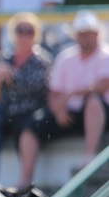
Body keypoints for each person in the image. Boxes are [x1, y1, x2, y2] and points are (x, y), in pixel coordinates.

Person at [17, 10, 108, 187]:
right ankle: (25, 179)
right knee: (30, 127)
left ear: (96, 34)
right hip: (69, 112)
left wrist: (72, 93)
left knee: (93, 101)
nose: (84, 38)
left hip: (101, 113)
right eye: (81, 34)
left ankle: (90, 154)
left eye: (87, 33)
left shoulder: (106, 55)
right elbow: (54, 93)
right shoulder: (65, 58)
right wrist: (58, 111)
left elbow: (103, 85)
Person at [0, 12, 52, 166]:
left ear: (35, 35)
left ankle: (24, 181)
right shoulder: (4, 57)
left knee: (26, 128)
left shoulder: (42, 60)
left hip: (31, 113)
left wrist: (13, 76)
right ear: (13, 34)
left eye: (29, 31)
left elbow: (38, 88)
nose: (24, 35)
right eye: (20, 30)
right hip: (3, 112)